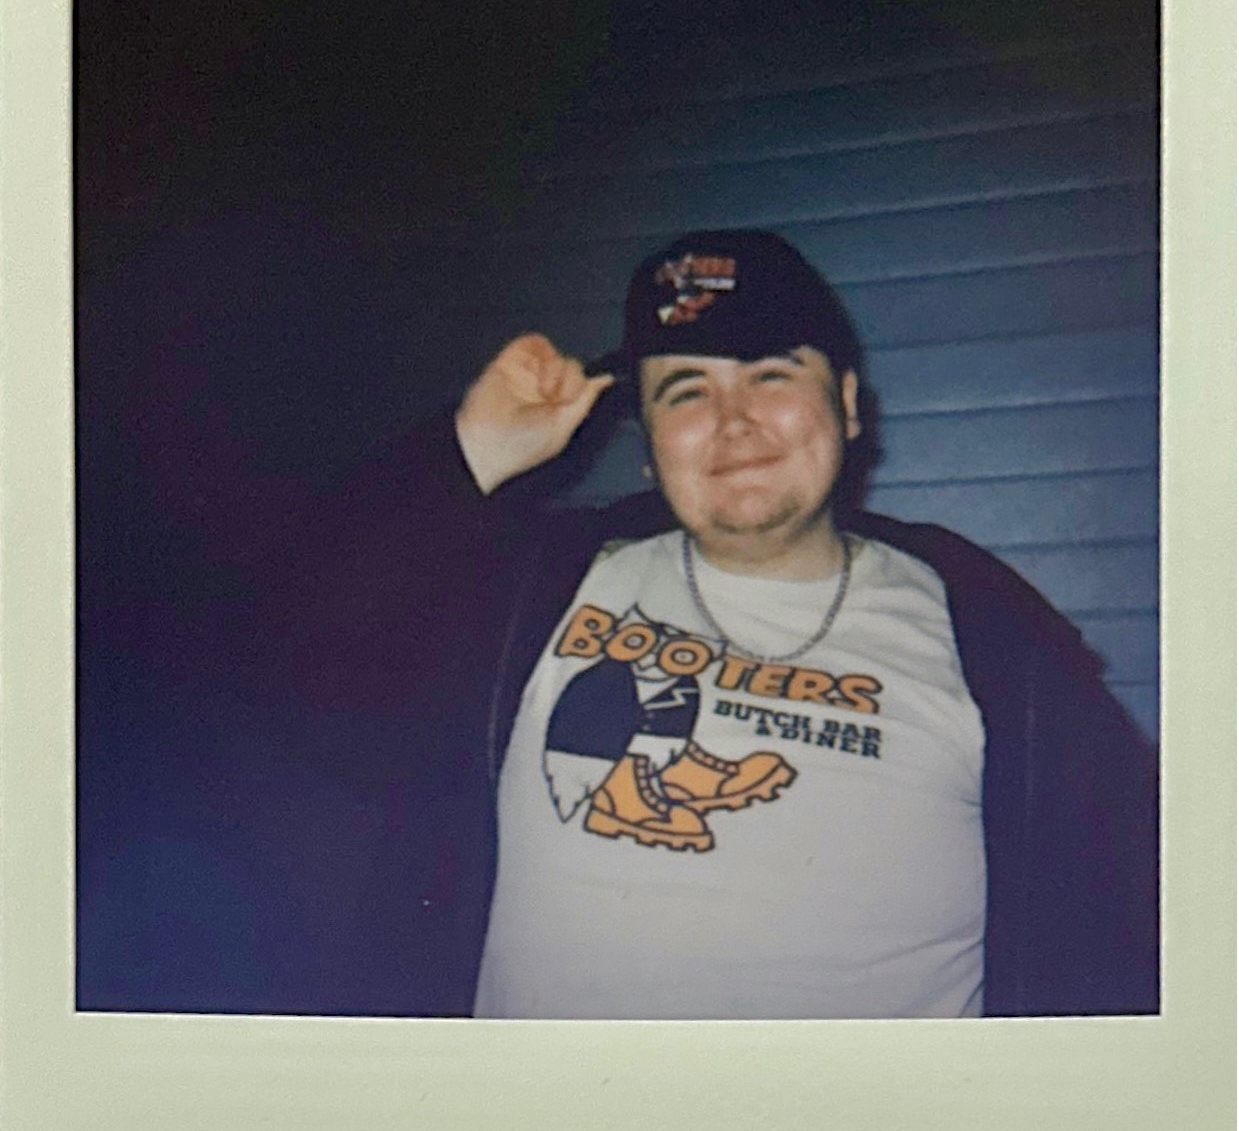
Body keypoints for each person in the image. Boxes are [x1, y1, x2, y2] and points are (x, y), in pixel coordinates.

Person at [274, 229, 1158, 1019]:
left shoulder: (986, 627)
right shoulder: (536, 585)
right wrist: (470, 452)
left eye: (772, 375)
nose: (732, 422)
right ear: (650, 438)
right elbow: (290, 653)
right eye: (685, 390)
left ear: (846, 404)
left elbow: (1132, 915)